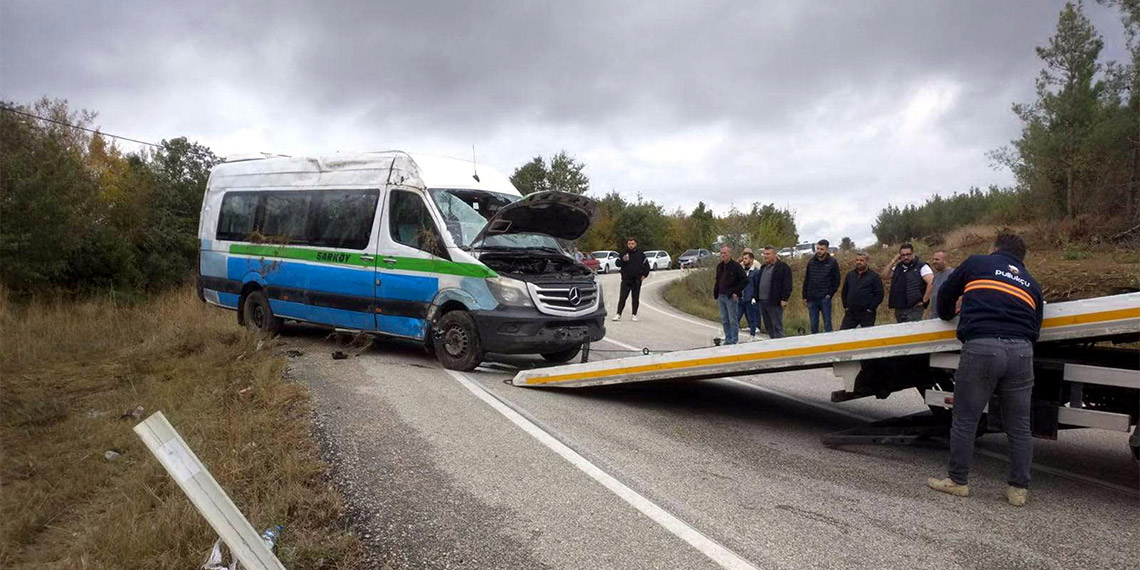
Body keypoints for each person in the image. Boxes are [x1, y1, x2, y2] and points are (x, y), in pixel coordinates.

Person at [927, 233, 1044, 507]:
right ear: (1021, 257)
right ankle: (1018, 490)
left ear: (995, 249)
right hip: (1021, 352)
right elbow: (1035, 327)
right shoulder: (1031, 284)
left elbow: (945, 294)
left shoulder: (977, 263)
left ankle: (958, 481)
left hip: (982, 346)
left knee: (966, 419)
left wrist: (947, 315)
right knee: (1019, 425)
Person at [881, 242, 933, 323]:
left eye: (908, 254)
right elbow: (884, 275)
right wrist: (894, 260)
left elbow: (932, 282)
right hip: (899, 308)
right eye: (903, 255)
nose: (905, 257)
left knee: (913, 332)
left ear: (913, 253)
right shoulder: (898, 267)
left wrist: (924, 301)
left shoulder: (922, 266)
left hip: (914, 308)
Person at [752, 245, 792, 339]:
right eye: (764, 254)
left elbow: (787, 284)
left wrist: (784, 298)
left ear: (774, 254)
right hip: (762, 300)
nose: (765, 256)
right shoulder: (763, 267)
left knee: (777, 325)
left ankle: (781, 345)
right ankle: (773, 343)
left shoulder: (782, 267)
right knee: (768, 326)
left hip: (775, 301)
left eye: (768, 254)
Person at [802, 239, 840, 333]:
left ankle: (829, 344)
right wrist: (804, 296)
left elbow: (836, 281)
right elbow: (807, 279)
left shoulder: (832, 262)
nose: (819, 251)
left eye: (821, 249)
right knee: (813, 324)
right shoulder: (811, 262)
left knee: (827, 324)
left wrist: (829, 295)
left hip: (824, 298)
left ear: (826, 249)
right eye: (818, 248)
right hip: (811, 298)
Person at [840, 252, 884, 329]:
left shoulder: (874, 276)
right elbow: (844, 291)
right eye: (857, 260)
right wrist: (846, 306)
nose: (858, 262)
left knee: (867, 336)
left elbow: (879, 294)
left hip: (866, 313)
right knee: (844, 333)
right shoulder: (850, 275)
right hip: (851, 312)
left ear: (867, 261)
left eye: (861, 260)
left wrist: (871, 308)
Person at [713, 245, 747, 345]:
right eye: (721, 253)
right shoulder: (720, 266)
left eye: (725, 253)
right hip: (721, 295)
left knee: (733, 319)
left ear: (729, 254)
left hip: (731, 296)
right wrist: (715, 292)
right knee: (724, 319)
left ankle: (734, 339)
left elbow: (744, 280)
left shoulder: (736, 266)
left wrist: (736, 292)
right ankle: (728, 339)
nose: (723, 255)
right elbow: (718, 280)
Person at [613, 237, 650, 322]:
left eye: (632, 244)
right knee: (622, 297)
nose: (631, 245)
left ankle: (634, 314)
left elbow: (647, 266)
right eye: (629, 244)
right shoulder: (623, 253)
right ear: (627, 244)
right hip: (626, 280)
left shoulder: (641, 254)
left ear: (635, 244)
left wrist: (644, 275)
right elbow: (617, 264)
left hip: (636, 280)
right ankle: (618, 314)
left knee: (635, 298)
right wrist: (623, 260)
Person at [738, 249, 762, 340]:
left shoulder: (756, 272)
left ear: (751, 260)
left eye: (746, 258)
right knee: (736, 318)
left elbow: (757, 285)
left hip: (750, 299)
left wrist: (755, 297)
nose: (744, 260)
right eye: (743, 258)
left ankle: (752, 335)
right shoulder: (742, 271)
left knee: (752, 318)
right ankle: (732, 335)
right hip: (741, 298)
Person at [926, 250, 954, 319]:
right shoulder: (936, 276)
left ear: (945, 260)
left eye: (937, 259)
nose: (934, 262)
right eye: (933, 259)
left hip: (948, 318)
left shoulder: (953, 275)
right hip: (935, 316)